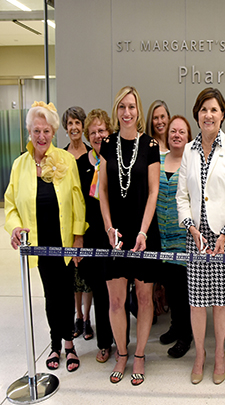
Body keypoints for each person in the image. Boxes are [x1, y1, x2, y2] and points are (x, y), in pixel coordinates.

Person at [5, 101, 87, 372]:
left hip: (63, 241)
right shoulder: (19, 165)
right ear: (29, 132)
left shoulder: (65, 160)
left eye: (46, 131)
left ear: (53, 132)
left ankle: (69, 344)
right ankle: (55, 343)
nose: (41, 137)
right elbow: (11, 205)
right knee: (51, 295)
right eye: (36, 131)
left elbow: (78, 200)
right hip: (38, 244)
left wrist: (78, 237)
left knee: (66, 293)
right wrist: (15, 227)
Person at [176, 87, 225, 385]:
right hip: (197, 236)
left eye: (214, 109)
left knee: (220, 301)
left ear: (222, 114)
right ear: (197, 114)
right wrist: (190, 227)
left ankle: (219, 354)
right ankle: (200, 355)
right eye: (204, 109)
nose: (208, 114)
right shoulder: (189, 151)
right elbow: (182, 196)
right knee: (197, 301)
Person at [99, 86, 161, 386]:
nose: (127, 112)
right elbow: (102, 191)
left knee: (145, 298)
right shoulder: (107, 144)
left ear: (139, 110)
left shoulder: (150, 145)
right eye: (122, 106)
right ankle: (121, 353)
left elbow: (153, 192)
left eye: (132, 107)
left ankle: (139, 355)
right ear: (117, 110)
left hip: (143, 232)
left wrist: (143, 231)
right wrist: (109, 228)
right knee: (116, 300)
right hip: (116, 234)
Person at [76, 109, 115, 362]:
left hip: (114, 235)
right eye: (93, 132)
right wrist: (77, 236)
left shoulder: (117, 160)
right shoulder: (80, 164)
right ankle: (104, 343)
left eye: (102, 130)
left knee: (117, 293)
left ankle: (120, 340)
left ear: (109, 132)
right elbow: (77, 203)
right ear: (87, 136)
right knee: (100, 291)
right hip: (92, 236)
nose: (98, 135)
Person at [156, 115, 193, 358]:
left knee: (183, 290)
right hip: (161, 237)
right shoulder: (157, 161)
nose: (176, 135)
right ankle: (175, 326)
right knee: (169, 286)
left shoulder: (192, 164)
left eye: (181, 131)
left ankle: (185, 335)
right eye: (173, 131)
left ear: (188, 137)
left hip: (184, 238)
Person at [62, 106, 94, 341]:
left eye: (77, 123)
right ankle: (78, 316)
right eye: (70, 123)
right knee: (73, 276)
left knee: (87, 276)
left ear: (83, 127)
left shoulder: (92, 155)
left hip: (89, 222)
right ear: (66, 128)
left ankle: (88, 318)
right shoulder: (60, 157)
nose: (74, 127)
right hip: (68, 222)